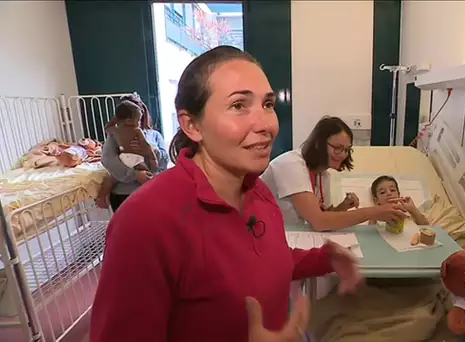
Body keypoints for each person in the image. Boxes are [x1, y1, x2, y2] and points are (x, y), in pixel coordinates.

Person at [90, 46, 362, 342]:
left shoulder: (258, 193)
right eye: (239, 106)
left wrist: (324, 258)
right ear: (192, 125)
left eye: (268, 105)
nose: (266, 125)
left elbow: (260, 262)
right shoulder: (145, 222)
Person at [261, 116, 408, 231]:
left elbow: (328, 214)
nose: (343, 154)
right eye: (338, 148)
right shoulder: (291, 165)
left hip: (291, 233)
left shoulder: (323, 175)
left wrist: (344, 206)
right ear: (318, 144)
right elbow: (319, 221)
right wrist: (374, 212)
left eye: (346, 149)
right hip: (261, 232)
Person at [99, 94, 169, 211]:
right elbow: (108, 160)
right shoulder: (115, 136)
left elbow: (164, 162)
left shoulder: (154, 135)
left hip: (151, 191)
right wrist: (135, 175)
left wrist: (149, 151)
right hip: (124, 194)